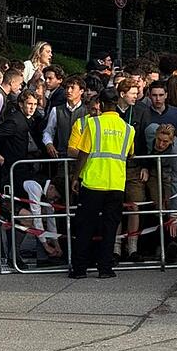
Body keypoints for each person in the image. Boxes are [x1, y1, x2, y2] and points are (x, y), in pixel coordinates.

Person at [69, 87, 134, 279]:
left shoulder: (94, 124)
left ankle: (79, 269)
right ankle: (105, 268)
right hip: (116, 184)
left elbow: (83, 153)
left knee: (85, 227)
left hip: (93, 183)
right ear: (116, 103)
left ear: (102, 104)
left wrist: (75, 177)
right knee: (110, 228)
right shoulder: (128, 128)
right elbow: (131, 154)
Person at [115, 78, 152, 262]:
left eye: (137, 94)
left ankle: (132, 248)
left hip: (134, 166)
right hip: (114, 167)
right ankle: (115, 248)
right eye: (132, 93)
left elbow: (146, 140)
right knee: (115, 207)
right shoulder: (111, 111)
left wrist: (146, 165)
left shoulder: (142, 111)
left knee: (135, 206)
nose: (135, 97)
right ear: (122, 94)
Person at [0, 90, 44, 189]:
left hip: (26, 164)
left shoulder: (33, 118)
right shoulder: (14, 121)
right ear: (21, 104)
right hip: (15, 168)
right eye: (29, 104)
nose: (32, 107)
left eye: (35, 104)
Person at [144, 123, 177, 262]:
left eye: (165, 142)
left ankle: (173, 243)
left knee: (170, 206)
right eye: (159, 140)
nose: (161, 144)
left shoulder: (175, 151)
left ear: (171, 141)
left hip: (168, 173)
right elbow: (142, 148)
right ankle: (156, 244)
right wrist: (145, 167)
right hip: (152, 168)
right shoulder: (149, 131)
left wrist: (174, 213)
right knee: (157, 206)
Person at [43, 75, 87, 158]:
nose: (69, 91)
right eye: (67, 88)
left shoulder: (87, 111)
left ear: (81, 91)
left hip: (82, 157)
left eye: (72, 88)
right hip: (61, 156)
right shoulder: (56, 110)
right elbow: (48, 131)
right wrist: (48, 143)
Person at [148, 80, 177, 148]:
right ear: (149, 96)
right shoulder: (144, 114)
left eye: (161, 95)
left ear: (166, 95)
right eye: (154, 95)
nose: (158, 99)